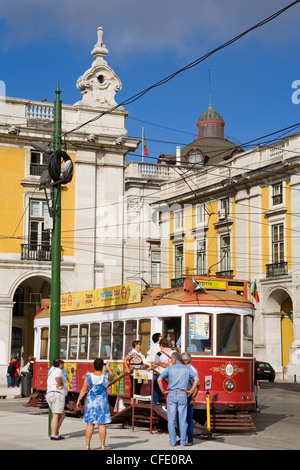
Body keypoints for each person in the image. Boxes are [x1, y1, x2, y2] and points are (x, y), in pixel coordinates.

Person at [157, 352, 199, 447]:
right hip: (183, 394)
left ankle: (172, 442)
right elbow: (196, 379)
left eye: (171, 359)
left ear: (175, 359)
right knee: (183, 420)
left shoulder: (170, 368)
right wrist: (191, 391)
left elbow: (159, 379)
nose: (171, 361)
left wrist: (163, 391)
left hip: (171, 394)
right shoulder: (187, 368)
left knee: (171, 420)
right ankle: (183, 442)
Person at [76, 358, 114, 450]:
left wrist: (78, 400)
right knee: (101, 424)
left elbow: (84, 389)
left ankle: (87, 446)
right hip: (102, 403)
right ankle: (103, 446)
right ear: (102, 366)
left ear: (94, 366)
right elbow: (112, 375)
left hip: (91, 403)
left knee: (90, 424)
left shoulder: (88, 376)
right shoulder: (105, 376)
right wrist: (108, 367)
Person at [46, 358, 68, 440]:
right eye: (62, 363)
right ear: (60, 364)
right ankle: (54, 435)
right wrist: (61, 384)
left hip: (51, 394)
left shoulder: (52, 370)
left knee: (62, 414)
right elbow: (58, 378)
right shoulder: (58, 370)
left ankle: (55, 431)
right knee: (56, 415)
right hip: (57, 394)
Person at [181, 352, 199, 446]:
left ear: (187, 361)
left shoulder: (192, 370)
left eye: (182, 359)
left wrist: (193, 398)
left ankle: (190, 440)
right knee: (181, 418)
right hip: (181, 395)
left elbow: (197, 386)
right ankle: (182, 438)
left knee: (188, 419)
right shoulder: (182, 368)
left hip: (188, 397)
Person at [150, 338, 174, 403]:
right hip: (174, 373)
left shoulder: (159, 354)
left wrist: (151, 367)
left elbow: (156, 365)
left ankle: (168, 405)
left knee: (166, 390)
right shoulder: (174, 351)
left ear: (161, 345)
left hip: (163, 374)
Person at [124, 339, 146, 404]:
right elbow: (125, 359)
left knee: (139, 387)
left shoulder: (140, 353)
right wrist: (127, 369)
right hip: (134, 372)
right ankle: (132, 402)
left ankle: (136, 402)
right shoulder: (132, 353)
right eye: (139, 344)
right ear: (136, 345)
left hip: (141, 372)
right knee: (134, 387)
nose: (140, 345)